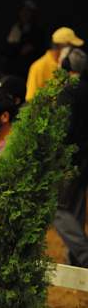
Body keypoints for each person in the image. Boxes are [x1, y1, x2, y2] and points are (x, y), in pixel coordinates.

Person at [53, 48, 88, 267]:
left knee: (57, 209)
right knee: (76, 208)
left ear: (67, 66)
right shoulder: (86, 88)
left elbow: (62, 130)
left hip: (69, 160)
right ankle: (74, 260)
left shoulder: (68, 91)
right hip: (85, 159)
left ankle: (84, 255)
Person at [25, 26, 84, 102]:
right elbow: (30, 100)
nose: (74, 51)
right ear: (62, 46)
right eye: (72, 47)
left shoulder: (69, 66)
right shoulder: (38, 67)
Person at [0, 0, 44, 79]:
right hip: (11, 72)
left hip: (27, 72)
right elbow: (6, 50)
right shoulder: (14, 29)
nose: (25, 14)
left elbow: (28, 50)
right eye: (23, 11)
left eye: (28, 12)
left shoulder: (37, 32)